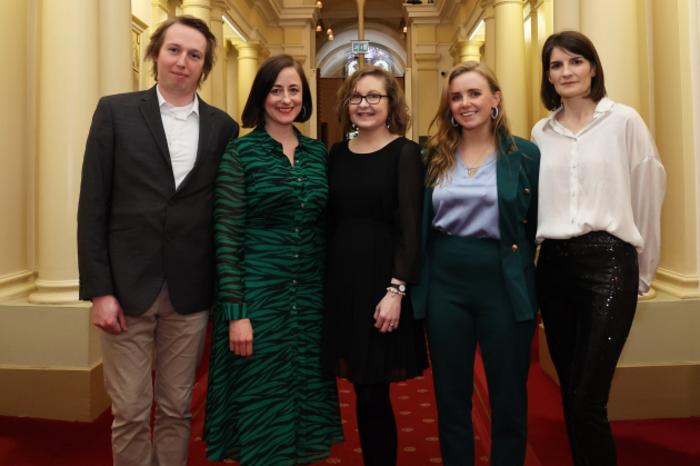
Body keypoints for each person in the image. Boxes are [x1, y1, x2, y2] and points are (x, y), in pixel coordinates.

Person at [77, 16, 239, 466]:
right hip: (125, 289)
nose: (182, 62)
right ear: (154, 55)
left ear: (204, 67)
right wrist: (99, 291)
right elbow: (93, 205)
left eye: (194, 55)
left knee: (175, 408)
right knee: (129, 411)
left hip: (190, 292)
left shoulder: (223, 128)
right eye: (174, 50)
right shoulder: (115, 112)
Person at [531, 31, 666, 466]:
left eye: (575, 61)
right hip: (552, 267)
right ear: (548, 76)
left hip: (609, 263)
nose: (566, 72)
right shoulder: (540, 131)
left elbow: (648, 194)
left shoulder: (624, 120)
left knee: (588, 397)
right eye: (556, 65)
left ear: (593, 67)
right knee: (571, 394)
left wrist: (642, 272)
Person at [203, 54, 344, 466]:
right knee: (261, 400)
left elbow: (323, 228)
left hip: (309, 299)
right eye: (276, 89)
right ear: (261, 96)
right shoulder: (240, 153)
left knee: (304, 398)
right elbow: (226, 237)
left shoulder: (319, 153)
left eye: (294, 90)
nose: (285, 99)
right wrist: (235, 312)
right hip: (257, 298)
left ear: (305, 98)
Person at [411, 61, 540, 466]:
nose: (465, 103)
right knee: (451, 398)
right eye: (456, 96)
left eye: (474, 93)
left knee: (507, 396)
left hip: (503, 280)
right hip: (445, 283)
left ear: (495, 99)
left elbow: (534, 224)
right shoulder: (430, 155)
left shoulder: (525, 155)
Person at [321, 66, 429, 466]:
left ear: (390, 103)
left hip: (382, 284)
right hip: (342, 282)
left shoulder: (404, 152)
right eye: (356, 97)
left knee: (372, 391)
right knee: (355, 387)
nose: (363, 104)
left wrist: (396, 290)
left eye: (373, 97)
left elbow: (410, 227)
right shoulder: (336, 153)